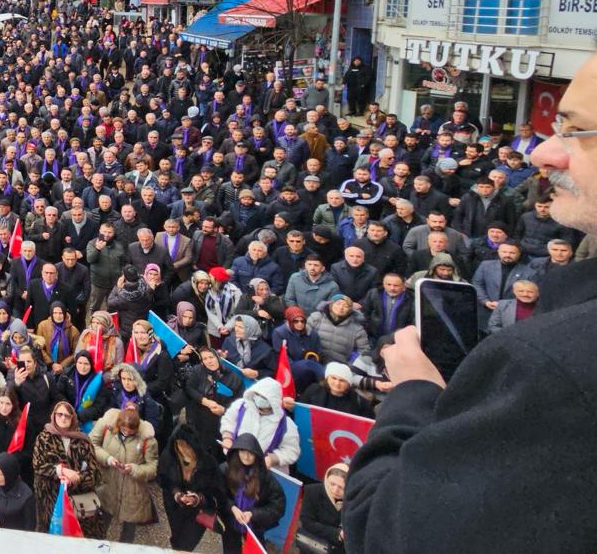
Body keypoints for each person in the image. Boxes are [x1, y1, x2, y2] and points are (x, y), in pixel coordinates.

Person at [346, 51, 597, 552]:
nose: (543, 155)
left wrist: (415, 393)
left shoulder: (555, 363)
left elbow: (388, 529)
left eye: (577, 132)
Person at [32, 400, 107, 538]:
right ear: (53, 415)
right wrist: (60, 471)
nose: (63, 418)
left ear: (73, 418)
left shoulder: (83, 441)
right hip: (51, 500)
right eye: (59, 414)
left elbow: (95, 473)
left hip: (78, 503)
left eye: (67, 415)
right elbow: (38, 465)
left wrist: (78, 478)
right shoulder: (43, 438)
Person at [158, 421, 224, 551]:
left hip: (198, 512)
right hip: (174, 507)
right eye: (180, 445)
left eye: (187, 446)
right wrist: (176, 493)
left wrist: (198, 498)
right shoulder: (169, 457)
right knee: (177, 538)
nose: (184, 450)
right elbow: (163, 479)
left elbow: (217, 492)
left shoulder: (208, 463)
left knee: (187, 544)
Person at [219, 433, 284, 554]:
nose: (246, 456)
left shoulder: (265, 477)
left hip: (254, 528)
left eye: (251, 453)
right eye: (243, 451)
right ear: (237, 451)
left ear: (257, 455)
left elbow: (278, 505)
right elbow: (217, 493)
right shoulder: (225, 469)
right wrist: (232, 507)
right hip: (230, 524)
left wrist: (253, 515)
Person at [299, 462, 349, 554]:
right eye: (332, 484)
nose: (335, 490)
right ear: (326, 479)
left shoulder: (353, 500)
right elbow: (306, 521)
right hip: (313, 545)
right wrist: (337, 534)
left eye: (341, 487)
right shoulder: (312, 491)